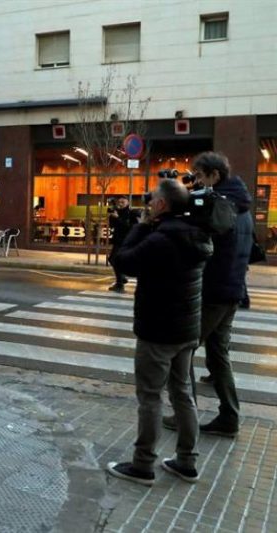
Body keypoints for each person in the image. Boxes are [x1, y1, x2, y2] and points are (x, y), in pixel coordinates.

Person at [105, 179, 213, 486]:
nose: (148, 203)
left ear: (162, 205)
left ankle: (142, 465)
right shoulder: (197, 234)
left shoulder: (160, 239)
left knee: (150, 397)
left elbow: (122, 261)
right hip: (187, 329)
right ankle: (187, 462)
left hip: (158, 331)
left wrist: (141, 225)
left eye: (152, 199)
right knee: (182, 393)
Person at [164, 152, 253, 437]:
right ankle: (229, 416)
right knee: (218, 356)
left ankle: (183, 415)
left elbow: (201, 245)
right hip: (232, 290)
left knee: (183, 351)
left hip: (214, 291)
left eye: (200, 176)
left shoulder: (217, 205)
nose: (197, 182)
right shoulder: (240, 204)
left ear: (215, 175)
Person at [107, 196, 139, 293]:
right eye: (119, 202)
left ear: (128, 202)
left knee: (114, 259)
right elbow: (112, 225)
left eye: (123, 202)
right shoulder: (117, 212)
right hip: (118, 240)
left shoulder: (131, 213)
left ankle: (120, 283)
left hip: (127, 241)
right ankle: (121, 278)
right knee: (113, 259)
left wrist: (118, 218)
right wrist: (112, 217)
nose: (120, 204)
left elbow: (130, 227)